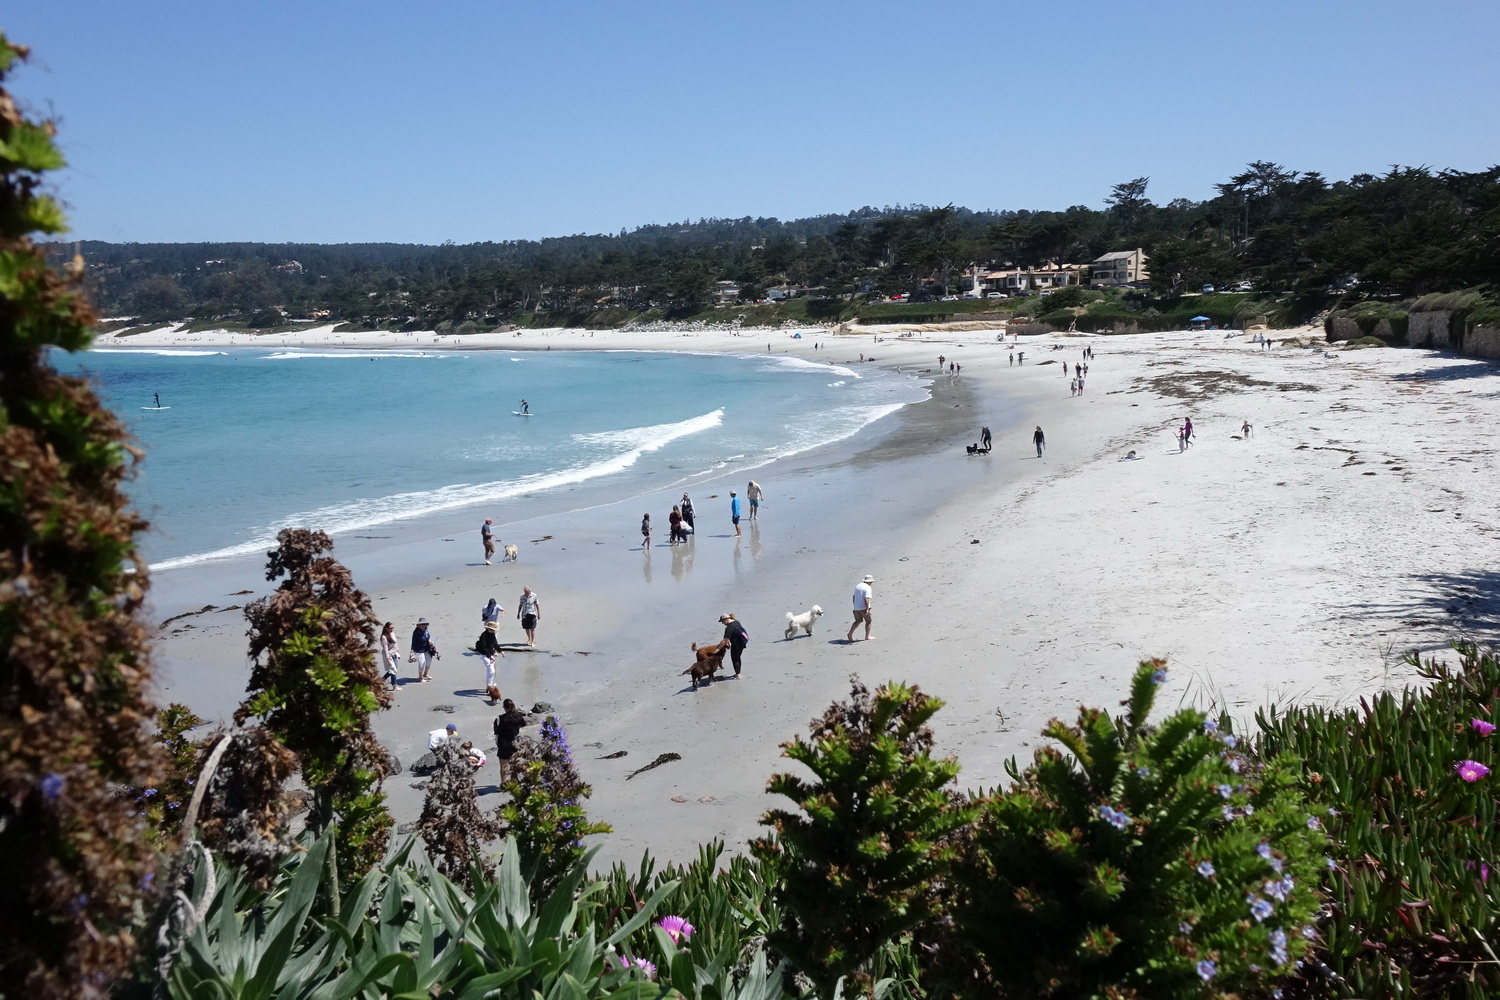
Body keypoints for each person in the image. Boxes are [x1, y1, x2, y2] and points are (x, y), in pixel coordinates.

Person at [493, 698, 527, 783]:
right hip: (515, 742)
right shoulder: (519, 716)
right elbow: (524, 724)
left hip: (503, 744)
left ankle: (504, 784)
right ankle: (514, 781)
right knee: (514, 764)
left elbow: (496, 730)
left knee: (504, 766)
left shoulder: (501, 718)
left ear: (505, 707)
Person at [476, 620, 506, 703]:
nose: (494, 631)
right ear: (488, 628)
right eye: (492, 629)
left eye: (494, 630)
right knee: (491, 670)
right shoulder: (483, 636)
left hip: (491, 654)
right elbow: (484, 647)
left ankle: (488, 687)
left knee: (492, 671)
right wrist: (490, 656)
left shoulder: (492, 634)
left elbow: (495, 644)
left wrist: (501, 651)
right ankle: (489, 687)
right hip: (484, 654)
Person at [719, 612, 749, 678]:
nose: (722, 623)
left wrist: (717, 649)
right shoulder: (736, 622)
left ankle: (738, 675)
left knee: (735, 659)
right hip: (742, 642)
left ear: (726, 619)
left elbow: (725, 640)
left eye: (722, 621)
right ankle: (738, 673)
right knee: (738, 658)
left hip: (736, 645)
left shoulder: (729, 628)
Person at [847, 574, 874, 642]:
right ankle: (867, 636)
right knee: (868, 621)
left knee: (858, 621)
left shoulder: (858, 586)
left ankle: (850, 634)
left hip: (856, 607)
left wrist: (855, 605)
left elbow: (854, 597)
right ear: (870, 581)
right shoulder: (867, 587)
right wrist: (867, 609)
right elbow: (866, 599)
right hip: (863, 607)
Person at [410, 617, 439, 682]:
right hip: (419, 649)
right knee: (422, 662)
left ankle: (425, 674)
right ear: (419, 625)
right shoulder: (416, 632)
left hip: (426, 648)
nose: (424, 625)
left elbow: (427, 637)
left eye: (425, 624)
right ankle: (420, 677)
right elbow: (413, 642)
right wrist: (412, 651)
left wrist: (430, 641)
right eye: (422, 624)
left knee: (429, 661)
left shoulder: (426, 630)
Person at [378, 621, 400, 690]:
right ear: (386, 628)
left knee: (394, 670)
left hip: (394, 653)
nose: (392, 629)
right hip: (389, 655)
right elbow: (385, 649)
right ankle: (394, 685)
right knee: (393, 669)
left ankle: (381, 681)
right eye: (390, 628)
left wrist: (398, 650)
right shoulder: (384, 637)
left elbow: (395, 643)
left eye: (393, 628)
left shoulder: (392, 633)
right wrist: (388, 659)